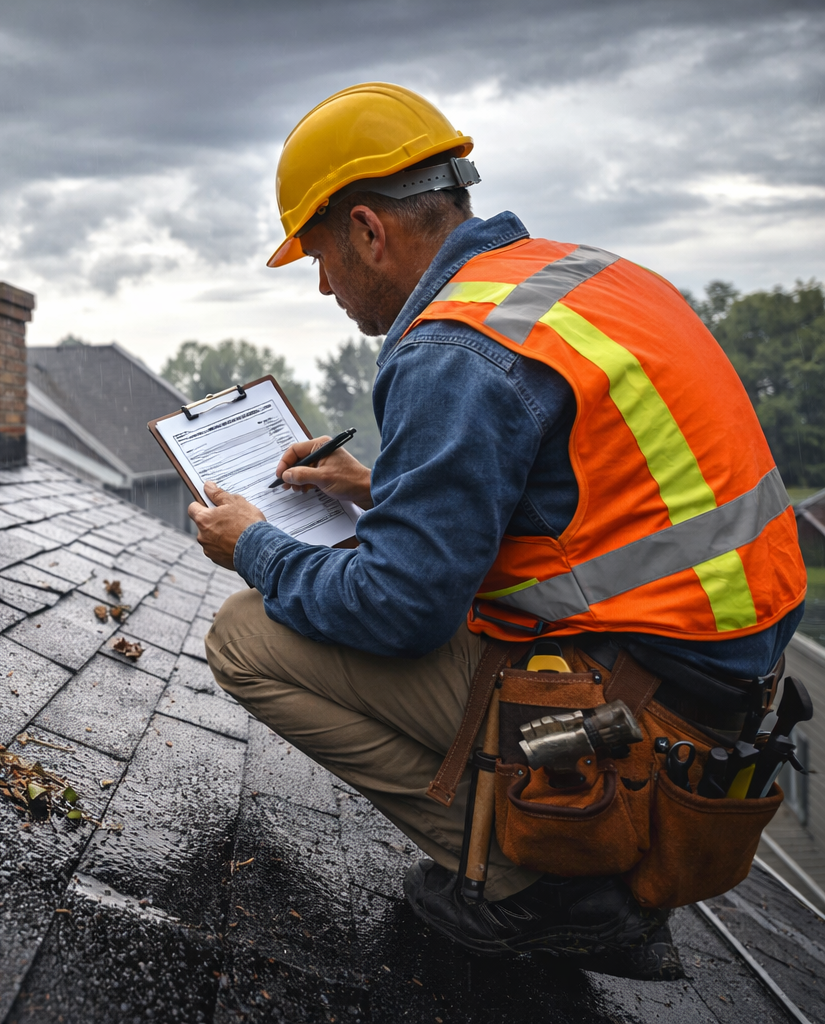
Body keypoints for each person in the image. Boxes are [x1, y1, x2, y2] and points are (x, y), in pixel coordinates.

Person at [189, 82, 806, 978]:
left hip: (634, 718)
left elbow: (399, 609)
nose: (323, 285)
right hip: (716, 698)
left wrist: (253, 542)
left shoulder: (453, 347)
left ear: (368, 230)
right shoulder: (586, 279)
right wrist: (373, 487)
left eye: (320, 257)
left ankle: (541, 880)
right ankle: (554, 851)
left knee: (243, 635)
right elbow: (580, 505)